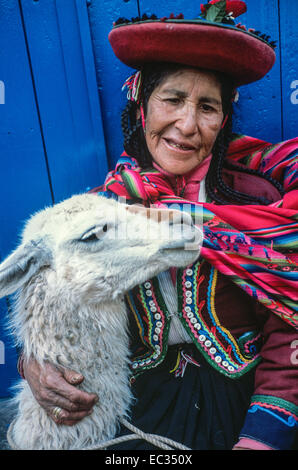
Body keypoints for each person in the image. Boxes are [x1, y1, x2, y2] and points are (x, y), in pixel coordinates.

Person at [17, 1, 298, 450]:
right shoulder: (99, 215)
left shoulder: (262, 204)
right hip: (136, 406)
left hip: (245, 407)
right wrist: (34, 364)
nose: (187, 125)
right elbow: (59, 309)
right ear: (142, 105)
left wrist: (263, 436)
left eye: (207, 106)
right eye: (172, 99)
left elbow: (290, 324)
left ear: (223, 120)